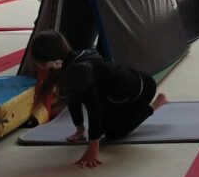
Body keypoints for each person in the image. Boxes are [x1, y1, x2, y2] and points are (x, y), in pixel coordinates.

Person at [30, 30, 169, 169]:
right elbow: (73, 99)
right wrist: (80, 130)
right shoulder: (71, 63)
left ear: (49, 63)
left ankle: (156, 104)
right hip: (119, 92)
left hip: (141, 91)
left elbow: (94, 109)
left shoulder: (80, 71)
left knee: (113, 133)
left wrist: (92, 150)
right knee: (100, 128)